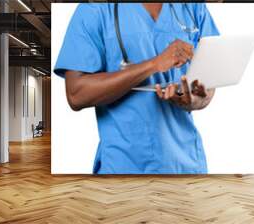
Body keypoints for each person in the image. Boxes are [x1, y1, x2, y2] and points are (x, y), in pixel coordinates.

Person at [54, 3, 220, 174]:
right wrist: (154, 64)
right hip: (122, 169)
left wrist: (195, 100)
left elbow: (209, 84)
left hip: (187, 166)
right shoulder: (95, 9)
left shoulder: (193, 8)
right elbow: (76, 94)